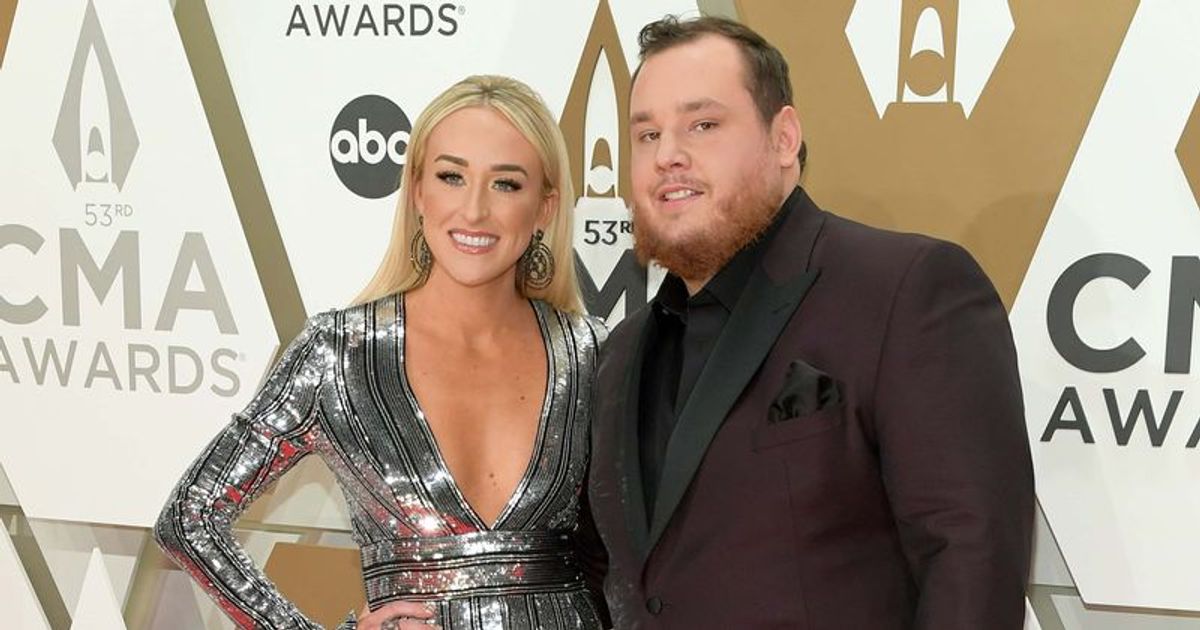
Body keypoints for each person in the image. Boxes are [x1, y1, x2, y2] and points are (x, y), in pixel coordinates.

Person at [586, 16, 1034, 629]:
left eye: (703, 124)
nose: (668, 155)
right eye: (647, 134)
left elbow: (970, 560)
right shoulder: (620, 354)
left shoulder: (906, 290)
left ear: (783, 138)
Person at [156, 75, 609, 630]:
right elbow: (190, 515)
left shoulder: (591, 354)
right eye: (451, 176)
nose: (473, 211)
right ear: (418, 191)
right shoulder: (337, 355)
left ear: (545, 207)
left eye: (506, 185)